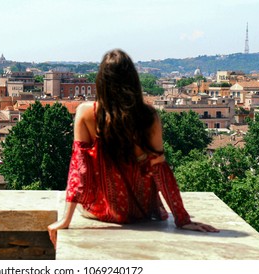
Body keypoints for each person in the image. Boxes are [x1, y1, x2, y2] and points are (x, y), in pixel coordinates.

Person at [48, 49, 219, 247]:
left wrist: (65, 221)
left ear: (101, 82)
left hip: (100, 210)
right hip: (141, 211)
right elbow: (160, 170)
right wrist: (182, 219)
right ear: (133, 81)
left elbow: (79, 170)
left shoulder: (85, 113)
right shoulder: (148, 117)